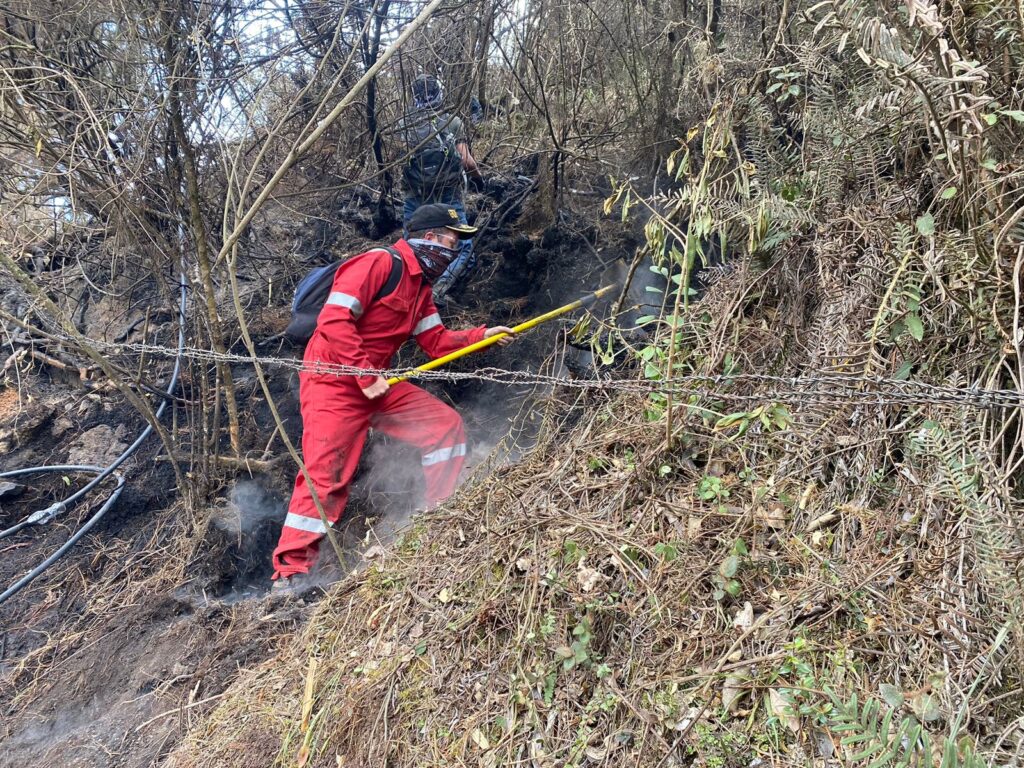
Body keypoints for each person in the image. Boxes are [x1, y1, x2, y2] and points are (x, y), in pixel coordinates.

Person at [271, 203, 514, 595]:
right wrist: (364, 376)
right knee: (326, 474)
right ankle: (290, 575)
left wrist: (480, 336)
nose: (454, 252)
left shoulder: (421, 289)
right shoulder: (378, 264)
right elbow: (333, 321)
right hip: (333, 381)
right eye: (453, 242)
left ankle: (440, 516)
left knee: (444, 426)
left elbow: (435, 343)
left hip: (376, 383)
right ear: (431, 238)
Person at [397, 74, 484, 300]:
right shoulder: (451, 122)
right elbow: (466, 161)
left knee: (410, 247)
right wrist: (480, 180)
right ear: (439, 94)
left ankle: (412, 293)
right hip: (448, 196)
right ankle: (440, 289)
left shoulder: (403, 126)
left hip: (415, 197)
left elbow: (395, 163)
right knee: (463, 248)